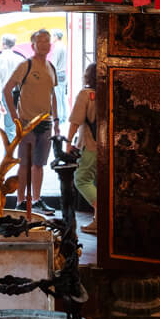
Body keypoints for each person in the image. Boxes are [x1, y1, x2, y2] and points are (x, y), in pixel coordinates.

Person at [2, 29, 58, 211]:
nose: (44, 44)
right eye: (40, 41)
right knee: (25, 163)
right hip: (27, 122)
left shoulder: (50, 66)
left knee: (39, 164)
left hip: (46, 122)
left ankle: (36, 199)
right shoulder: (25, 65)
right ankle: (20, 201)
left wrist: (56, 121)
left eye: (47, 41)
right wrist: (14, 116)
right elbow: (6, 89)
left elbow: (53, 94)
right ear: (33, 45)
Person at [65, 63, 101, 227]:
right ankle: (98, 220)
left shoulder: (86, 94)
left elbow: (75, 122)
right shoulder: (108, 92)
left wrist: (68, 142)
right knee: (96, 181)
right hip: (106, 147)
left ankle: (102, 212)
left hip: (90, 144)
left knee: (82, 179)